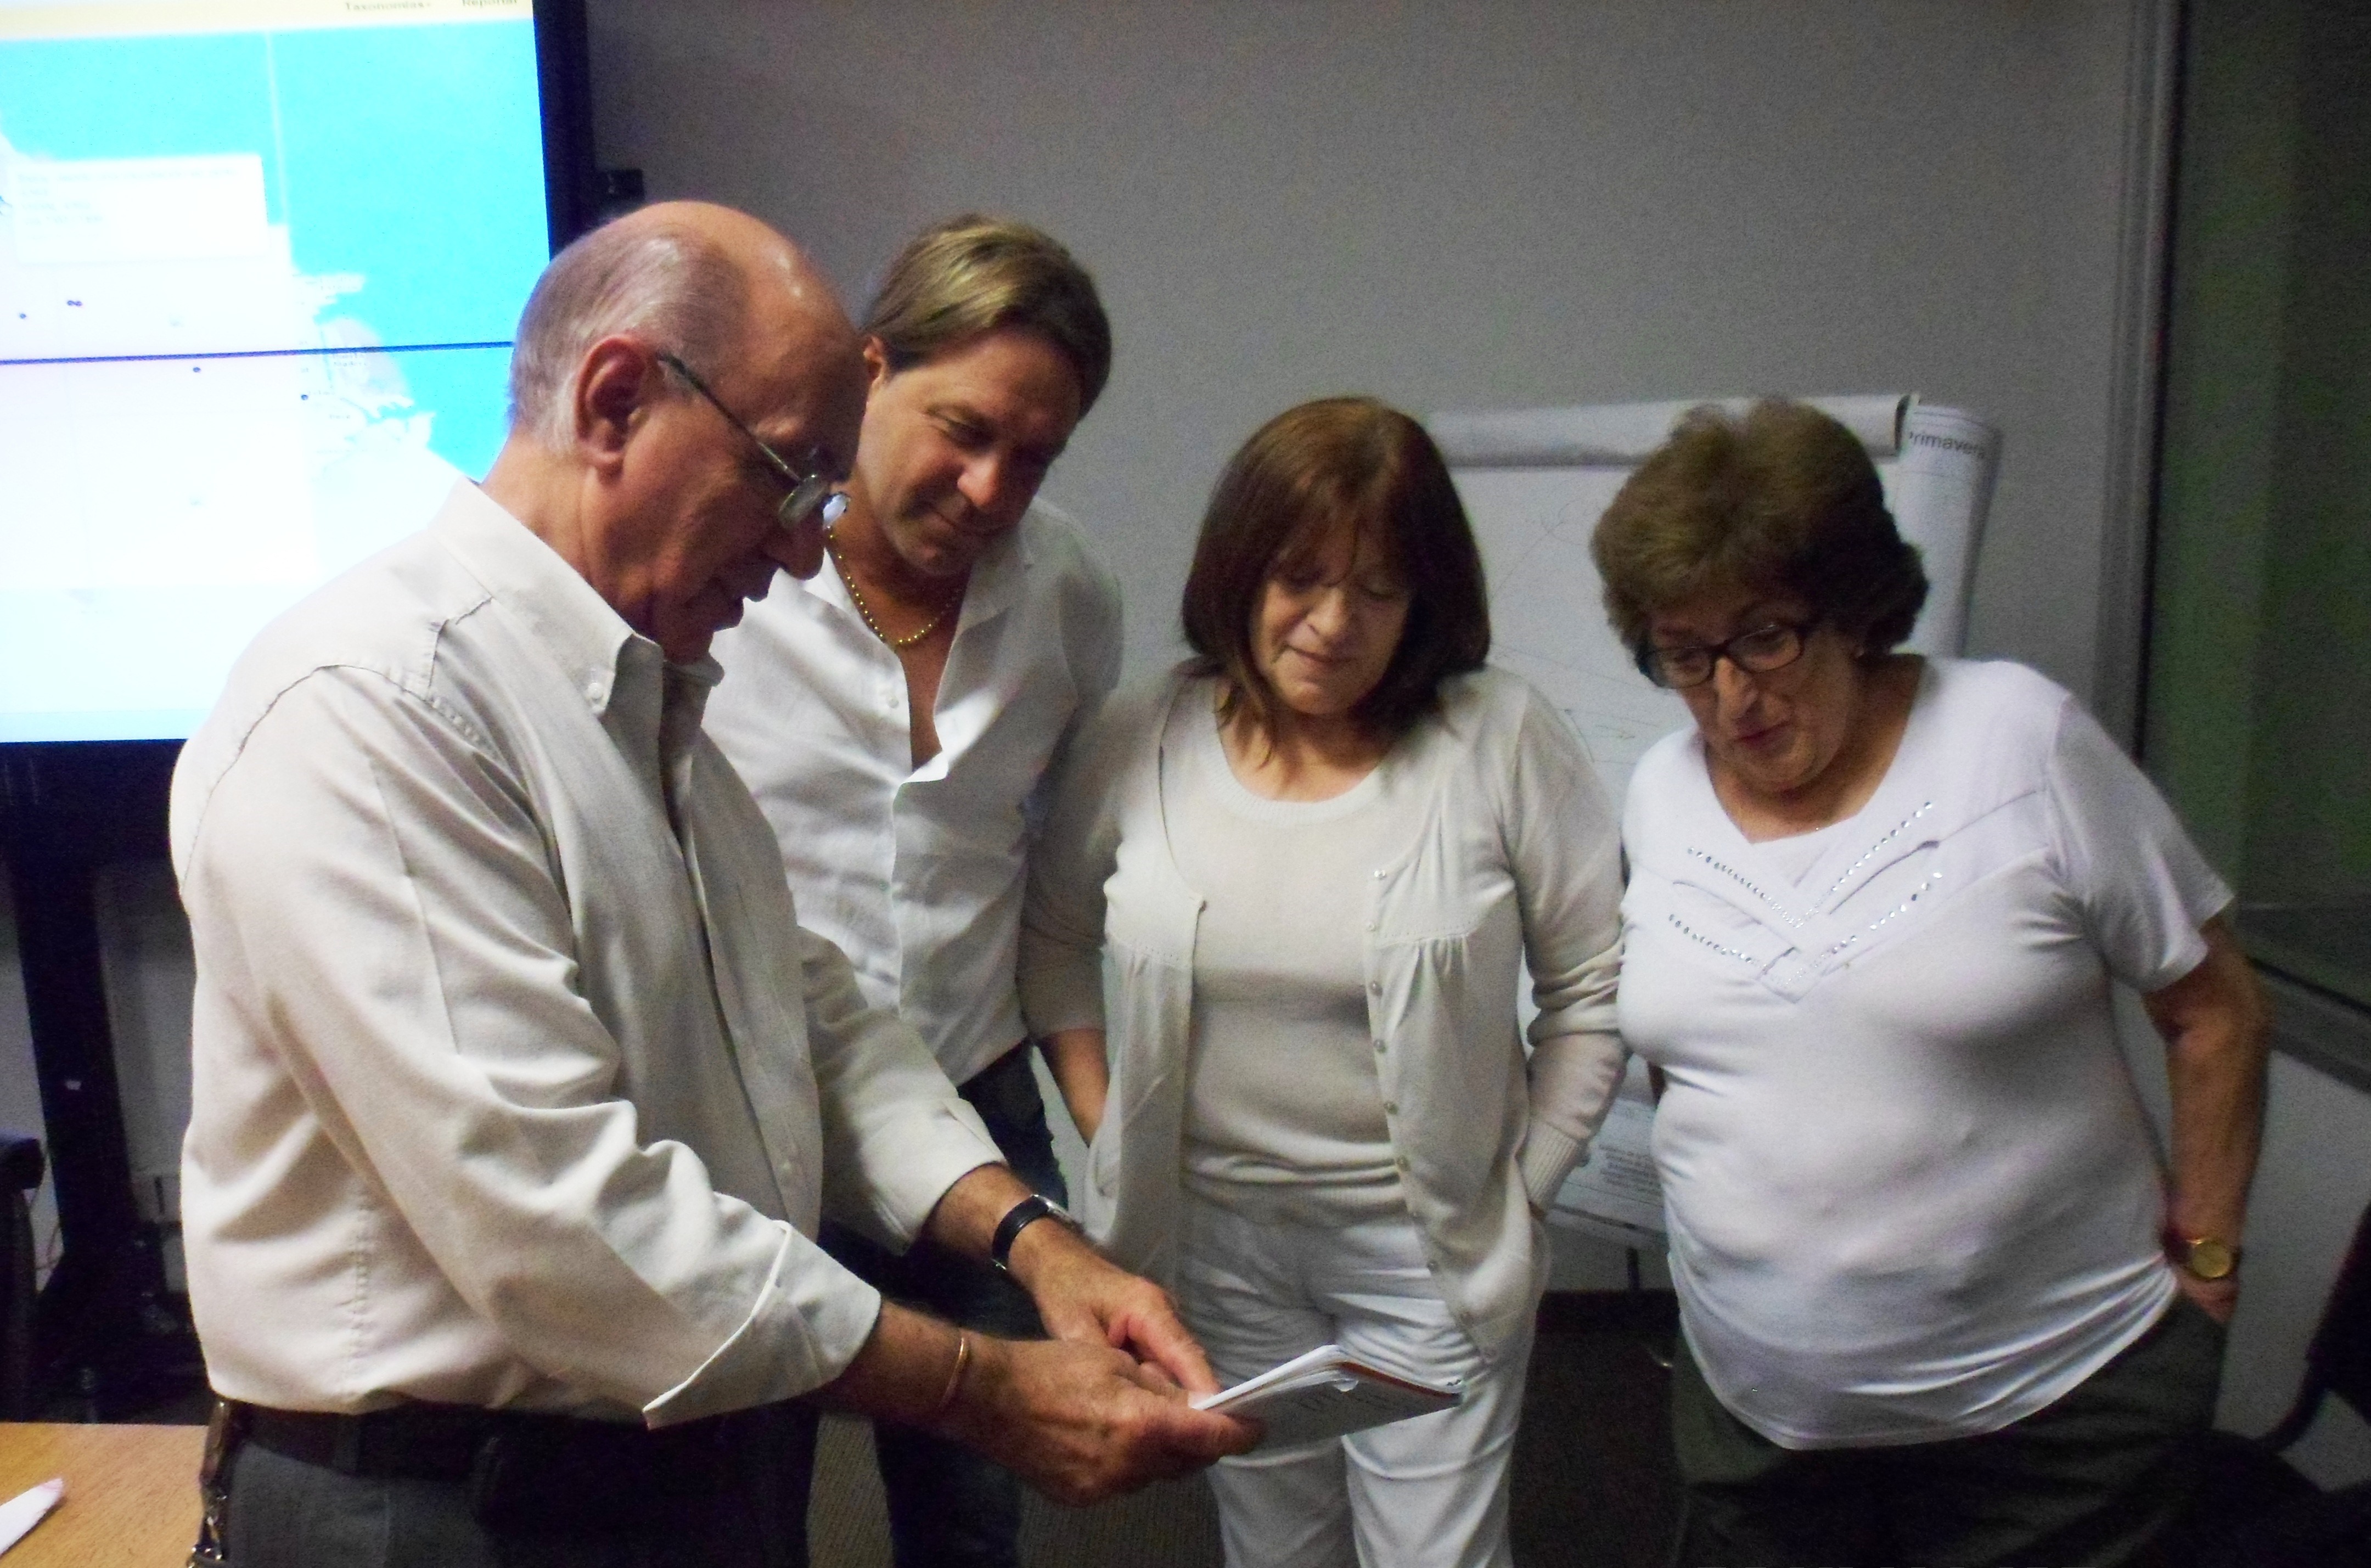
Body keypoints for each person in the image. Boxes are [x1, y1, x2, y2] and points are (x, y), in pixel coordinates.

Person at [170, 200, 1252, 1568]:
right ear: (617, 400)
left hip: (659, 1471)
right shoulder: (375, 708)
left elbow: (807, 1011)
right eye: (790, 476)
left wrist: (1039, 1245)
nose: (807, 545)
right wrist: (984, 1387)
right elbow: (555, 1217)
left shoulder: (640, 695)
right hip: (451, 1505)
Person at [1591, 399, 2270, 1568]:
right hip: (1761, 1429)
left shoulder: (2019, 739)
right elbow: (1700, 1052)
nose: (1731, 698)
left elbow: (2213, 1013)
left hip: (2053, 1427)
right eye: (1685, 656)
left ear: (1854, 610)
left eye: (1763, 638)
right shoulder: (1659, 790)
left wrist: (2207, 1271)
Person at [1020, 397, 1628, 1568]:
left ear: (1426, 602)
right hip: (1217, 1244)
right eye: (1300, 576)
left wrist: (1527, 1187)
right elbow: (1051, 943)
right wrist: (1112, 1131)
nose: (1335, 622)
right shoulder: (1147, 733)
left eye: (1381, 589)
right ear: (1239, 571)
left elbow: (1592, 990)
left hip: (1428, 1247)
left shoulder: (1496, 738)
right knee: (1274, 1549)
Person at [704, 214, 1121, 1568]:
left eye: (1036, 455)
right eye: (966, 429)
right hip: (763, 1095)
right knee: (745, 1484)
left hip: (973, 1089)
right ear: (871, 371)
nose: (993, 488)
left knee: (977, 1494)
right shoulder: (730, 584)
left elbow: (1059, 862)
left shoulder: (1069, 593)